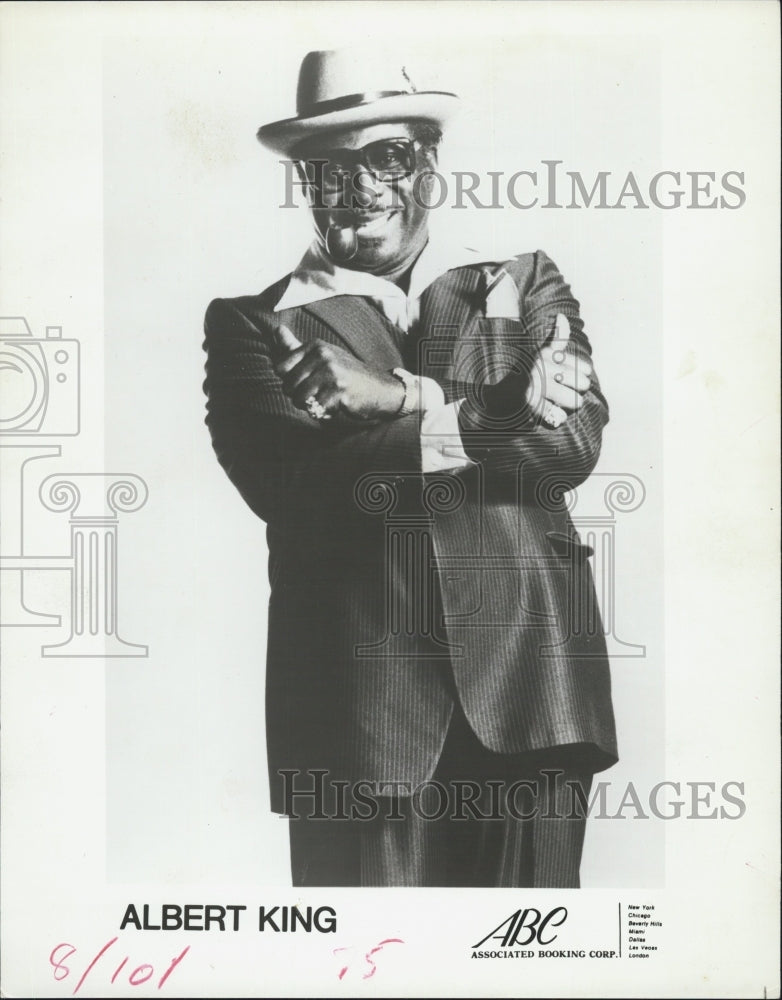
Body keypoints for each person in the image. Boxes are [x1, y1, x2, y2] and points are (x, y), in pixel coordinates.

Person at [202, 49, 617, 888]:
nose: (361, 185)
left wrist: (396, 400)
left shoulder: (523, 282)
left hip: (534, 697)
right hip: (359, 725)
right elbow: (298, 492)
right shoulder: (252, 325)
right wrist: (496, 409)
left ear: (430, 161)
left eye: (386, 155)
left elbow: (568, 452)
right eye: (329, 165)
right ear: (304, 182)